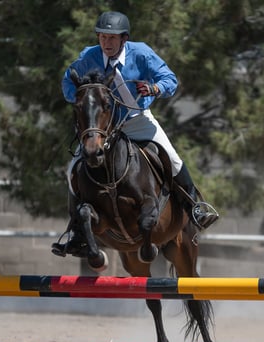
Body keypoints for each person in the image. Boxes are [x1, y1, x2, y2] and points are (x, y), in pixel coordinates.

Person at [52, 11, 218, 257]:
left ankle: (196, 207)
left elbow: (169, 79)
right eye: (102, 37)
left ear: (124, 39)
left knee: (172, 157)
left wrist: (154, 87)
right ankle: (77, 232)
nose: (106, 43)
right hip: (103, 129)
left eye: (112, 38)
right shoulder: (89, 56)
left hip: (136, 120)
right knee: (72, 170)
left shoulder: (140, 53)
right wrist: (81, 93)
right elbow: (68, 81)